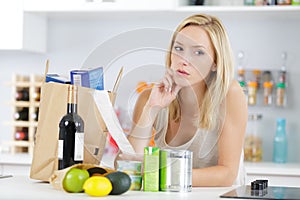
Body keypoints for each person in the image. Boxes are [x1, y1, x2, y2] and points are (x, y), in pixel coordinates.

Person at [116, 14, 248, 187]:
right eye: (179, 49)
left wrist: (162, 172)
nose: (184, 60)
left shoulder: (230, 94)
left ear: (215, 63)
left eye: (198, 52)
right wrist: (152, 109)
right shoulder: (149, 97)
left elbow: (227, 174)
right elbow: (126, 165)